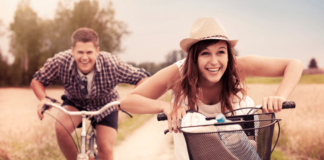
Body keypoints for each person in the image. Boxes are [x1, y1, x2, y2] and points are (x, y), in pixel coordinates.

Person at [120, 17, 304, 160]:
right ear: (194, 57)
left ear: (228, 54)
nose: (214, 61)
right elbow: (128, 102)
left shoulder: (238, 67)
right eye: (205, 53)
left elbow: (294, 64)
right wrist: (165, 107)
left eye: (220, 52)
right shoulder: (178, 73)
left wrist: (279, 97)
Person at [30, 27, 149, 160]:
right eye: (80, 52)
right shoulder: (61, 61)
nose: (84, 57)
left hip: (107, 104)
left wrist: (129, 99)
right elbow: (37, 80)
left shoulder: (111, 64)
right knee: (61, 130)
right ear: (73, 51)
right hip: (75, 102)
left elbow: (143, 78)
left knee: (105, 148)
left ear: (97, 51)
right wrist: (43, 98)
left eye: (89, 52)